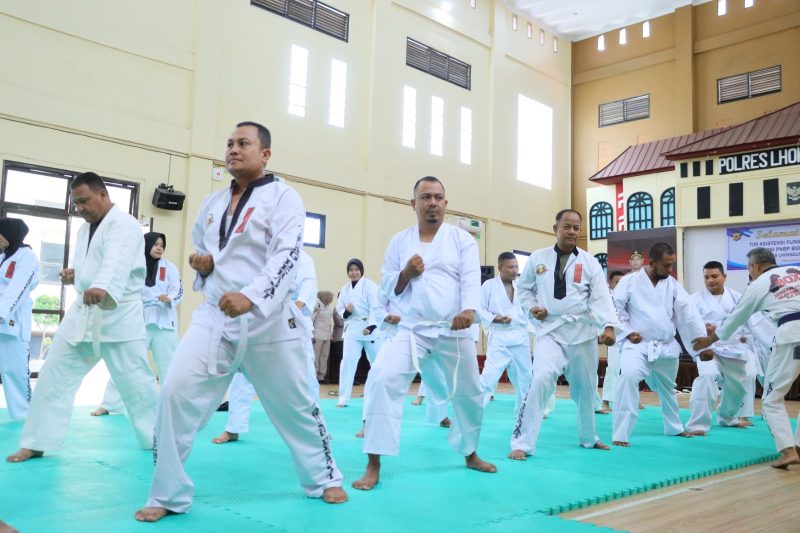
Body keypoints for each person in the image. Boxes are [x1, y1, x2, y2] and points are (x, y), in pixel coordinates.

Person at [135, 121, 346, 523]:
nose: (233, 149)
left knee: (298, 406)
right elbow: (205, 251)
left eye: (243, 143)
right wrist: (204, 265)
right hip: (214, 317)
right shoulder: (211, 204)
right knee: (173, 394)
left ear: (265, 154)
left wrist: (251, 296)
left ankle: (324, 477)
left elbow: (287, 256)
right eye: (229, 143)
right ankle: (167, 492)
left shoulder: (284, 197)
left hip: (269, 323)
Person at [351, 176, 496, 491]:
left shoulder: (462, 240)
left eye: (439, 197)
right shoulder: (399, 242)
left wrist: (469, 311)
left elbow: (471, 280)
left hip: (452, 329)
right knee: (382, 379)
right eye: (426, 197)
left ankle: (470, 452)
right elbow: (388, 287)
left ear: (446, 203)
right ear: (413, 203)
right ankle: (374, 462)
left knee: (471, 392)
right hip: (413, 329)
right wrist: (406, 272)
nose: (433, 202)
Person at [6, 172, 158, 462]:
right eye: (76, 203)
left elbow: (116, 261)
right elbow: (93, 263)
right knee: (53, 375)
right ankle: (37, 441)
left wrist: (102, 284)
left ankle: (157, 438)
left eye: (84, 201)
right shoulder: (84, 229)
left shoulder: (124, 225)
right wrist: (78, 275)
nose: (80, 208)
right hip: (83, 313)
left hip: (118, 314)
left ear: (103, 194)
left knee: (137, 384)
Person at [509, 209, 618, 460]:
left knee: (586, 389)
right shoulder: (538, 258)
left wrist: (608, 327)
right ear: (555, 228)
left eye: (576, 228)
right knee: (541, 379)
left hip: (582, 333)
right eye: (567, 226)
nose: (572, 232)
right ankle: (522, 443)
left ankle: (589, 438)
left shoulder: (589, 262)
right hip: (550, 330)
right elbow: (524, 290)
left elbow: (602, 297)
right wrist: (531, 307)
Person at [693, 247, 800, 469]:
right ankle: (797, 447)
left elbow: (735, 317)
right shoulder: (797, 271)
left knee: (772, 399)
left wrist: (709, 339)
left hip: (791, 335)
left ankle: (788, 450)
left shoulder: (759, 283)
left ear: (755, 266)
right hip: (784, 335)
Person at [211, 250, 321, 444]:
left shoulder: (302, 257)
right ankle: (233, 428)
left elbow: (309, 284)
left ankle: (316, 428)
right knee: (242, 374)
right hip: (259, 318)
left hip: (290, 317)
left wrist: (300, 302)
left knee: (306, 375)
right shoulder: (262, 254)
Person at [611, 242, 706, 447]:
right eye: (666, 265)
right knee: (627, 379)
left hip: (665, 345)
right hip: (637, 345)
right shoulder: (629, 281)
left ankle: (674, 427)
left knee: (667, 388)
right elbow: (616, 308)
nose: (670, 270)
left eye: (671, 265)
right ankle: (620, 434)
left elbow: (688, 316)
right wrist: (627, 332)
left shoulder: (672, 285)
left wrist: (702, 346)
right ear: (651, 262)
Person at [91, 231, 183, 416]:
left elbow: (178, 290)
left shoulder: (169, 267)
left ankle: (171, 405)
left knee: (168, 365)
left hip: (164, 324)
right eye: (156, 244)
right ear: (146, 244)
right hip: (139, 322)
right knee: (126, 362)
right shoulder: (135, 267)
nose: (159, 248)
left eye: (162, 245)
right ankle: (109, 404)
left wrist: (169, 298)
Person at [684, 261, 756, 435]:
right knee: (707, 377)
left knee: (737, 387)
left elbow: (746, 322)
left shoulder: (738, 298)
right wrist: (705, 334)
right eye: (706, 277)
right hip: (709, 349)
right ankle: (697, 424)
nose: (710, 280)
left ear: (724, 277)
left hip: (733, 348)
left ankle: (727, 417)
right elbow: (688, 325)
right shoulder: (694, 300)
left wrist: (745, 337)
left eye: (714, 276)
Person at [479, 252, 532, 419]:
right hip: (500, 339)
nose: (514, 270)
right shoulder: (488, 285)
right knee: (487, 380)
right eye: (510, 267)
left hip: (521, 339)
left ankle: (523, 419)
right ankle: (471, 415)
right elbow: (478, 309)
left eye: (516, 266)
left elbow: (530, 310)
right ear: (500, 267)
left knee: (525, 383)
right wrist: (495, 318)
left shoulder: (522, 286)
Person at [0, 217, 40, 420]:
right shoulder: (3, 256)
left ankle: (23, 416)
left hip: (13, 322)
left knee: (14, 371)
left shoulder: (27, 256)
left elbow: (19, 287)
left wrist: (1, 313)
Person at [336, 258, 382, 407]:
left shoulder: (370, 286)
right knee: (348, 362)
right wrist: (346, 312)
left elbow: (376, 306)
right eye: (351, 270)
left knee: (377, 363)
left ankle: (380, 395)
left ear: (361, 271)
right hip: (352, 328)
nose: (353, 272)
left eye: (356, 270)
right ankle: (343, 398)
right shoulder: (345, 289)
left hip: (369, 327)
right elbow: (339, 308)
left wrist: (372, 326)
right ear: (347, 272)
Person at [599, 271, 625, 413]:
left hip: (629, 336)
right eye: (617, 282)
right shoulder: (606, 298)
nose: (620, 285)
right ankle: (606, 401)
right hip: (614, 336)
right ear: (610, 283)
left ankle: (635, 400)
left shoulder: (629, 296)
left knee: (633, 370)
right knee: (614, 367)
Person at [312, 290, 335, 383]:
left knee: (324, 356)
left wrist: (331, 334)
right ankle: (313, 376)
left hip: (327, 335)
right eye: (330, 297)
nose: (331, 299)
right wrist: (311, 333)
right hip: (317, 334)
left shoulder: (329, 307)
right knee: (315, 356)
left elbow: (329, 323)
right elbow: (311, 319)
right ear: (324, 297)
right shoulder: (317, 305)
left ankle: (321, 376)